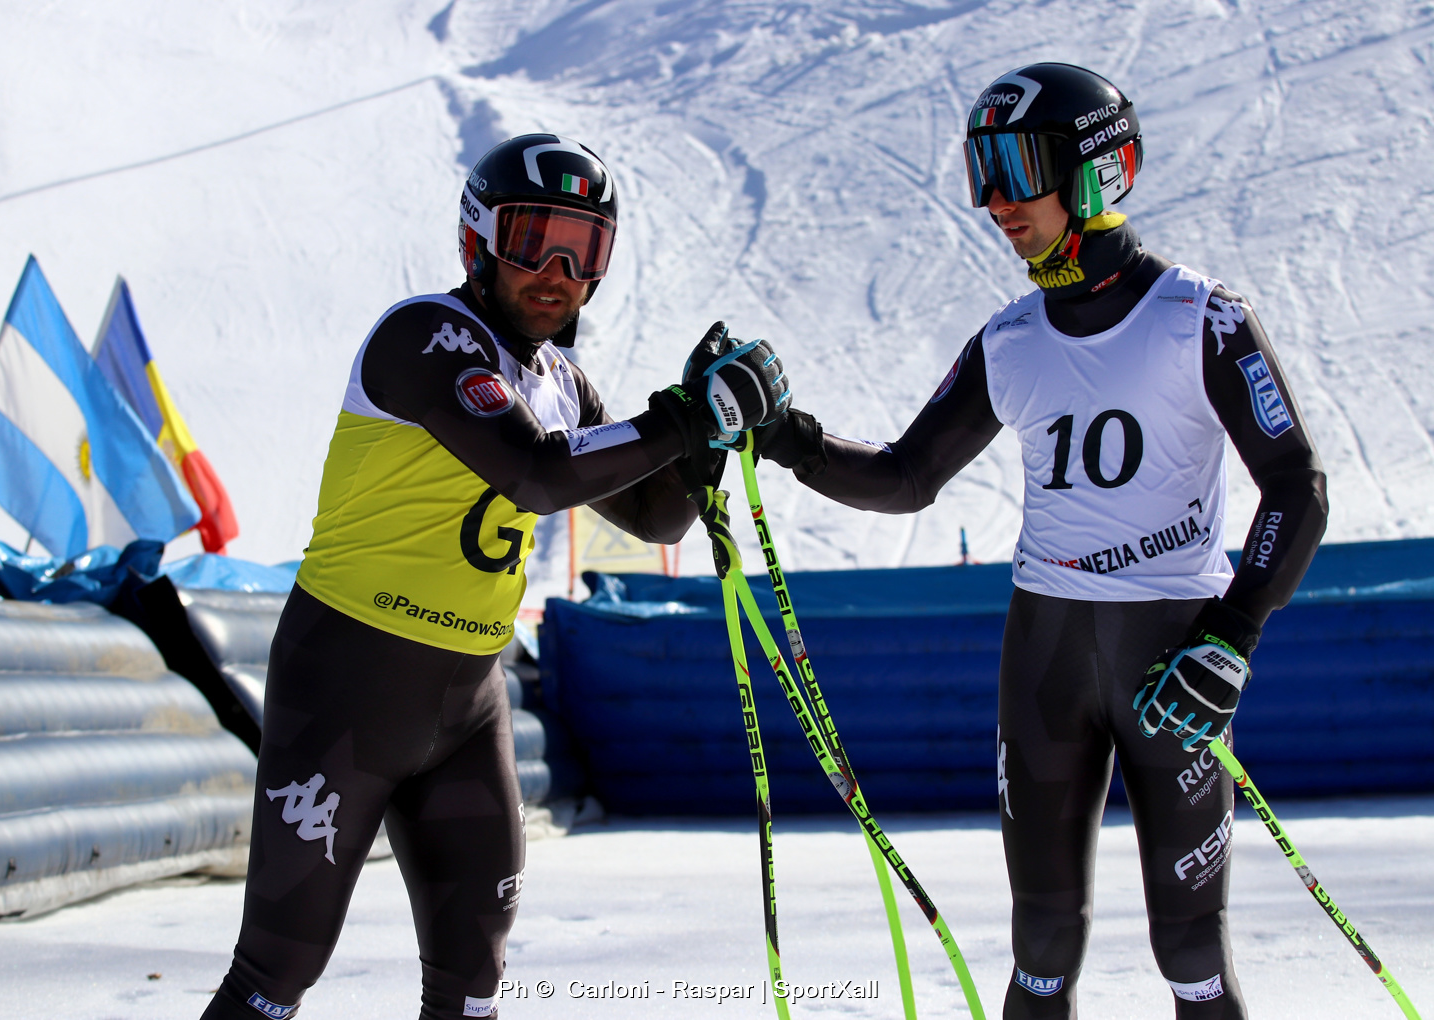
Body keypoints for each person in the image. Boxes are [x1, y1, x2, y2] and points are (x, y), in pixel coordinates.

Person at [755, 64, 1327, 1018]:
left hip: (1170, 657)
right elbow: (906, 477)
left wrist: (1231, 636)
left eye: (1019, 169)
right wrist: (787, 438)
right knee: (1042, 948)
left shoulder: (1201, 316)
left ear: (1100, 171)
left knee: (1189, 949)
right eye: (983, 172)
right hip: (1048, 655)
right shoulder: (1010, 337)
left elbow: (1296, 487)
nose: (995, 203)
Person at [201, 133, 789, 1020]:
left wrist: (706, 437)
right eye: (535, 240)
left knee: (473, 983)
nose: (557, 270)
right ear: (478, 239)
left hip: (469, 702)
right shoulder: (424, 335)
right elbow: (535, 473)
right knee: (276, 973)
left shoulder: (562, 380)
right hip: (347, 685)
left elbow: (654, 515)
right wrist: (676, 419)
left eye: (584, 248)